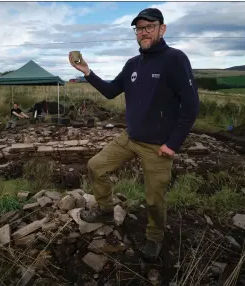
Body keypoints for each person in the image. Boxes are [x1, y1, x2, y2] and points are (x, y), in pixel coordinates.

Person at [68, 8, 199, 261]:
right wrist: (87, 72)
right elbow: (110, 91)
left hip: (158, 147)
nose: (143, 32)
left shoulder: (175, 59)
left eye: (149, 27)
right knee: (96, 166)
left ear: (162, 29)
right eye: (139, 29)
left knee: (154, 199)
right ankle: (106, 209)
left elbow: (191, 105)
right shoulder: (132, 65)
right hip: (130, 138)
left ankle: (154, 236)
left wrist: (173, 144)